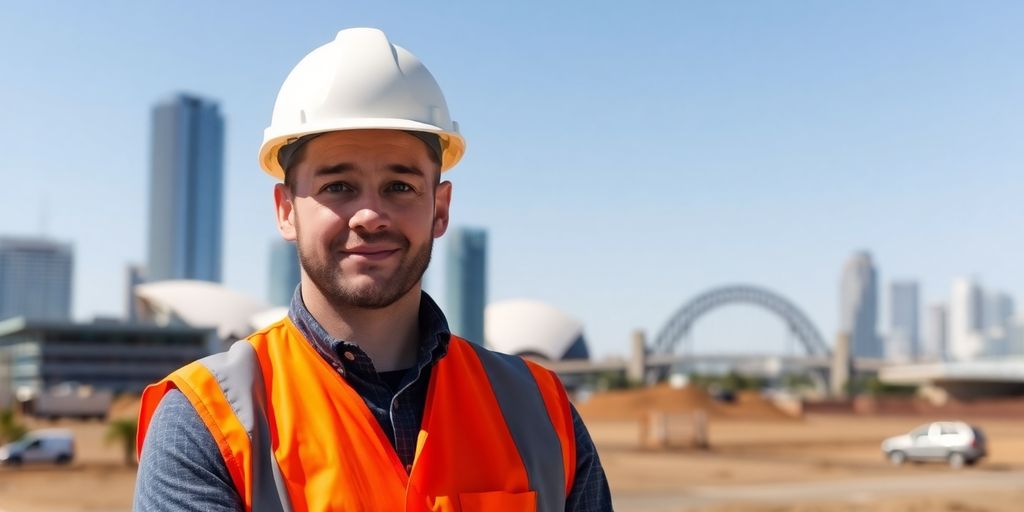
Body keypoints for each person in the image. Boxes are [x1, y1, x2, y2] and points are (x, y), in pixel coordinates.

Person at [133, 28, 612, 511]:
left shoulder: (541, 411)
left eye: (400, 187)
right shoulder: (207, 423)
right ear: (285, 210)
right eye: (338, 186)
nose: (369, 215)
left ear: (441, 208)